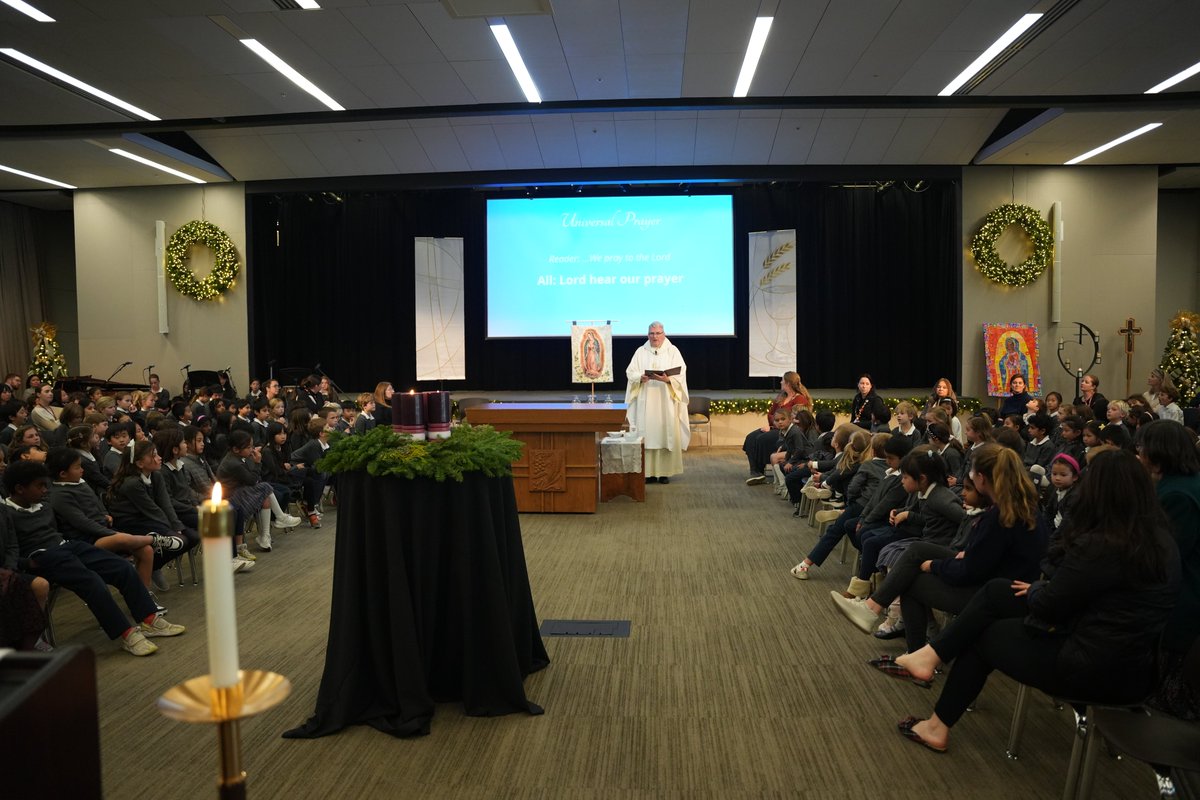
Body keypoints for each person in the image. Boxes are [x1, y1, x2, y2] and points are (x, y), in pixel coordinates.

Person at [891, 449, 1180, 753]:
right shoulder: (1159, 541)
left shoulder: (1103, 544)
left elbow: (1052, 603)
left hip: (1094, 665)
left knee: (983, 634)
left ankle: (936, 717)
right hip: (1135, 664)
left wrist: (1034, 591)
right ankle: (931, 658)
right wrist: (1038, 589)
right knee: (998, 590)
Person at [3, 460, 187, 656]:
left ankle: (149, 619)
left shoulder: (43, 504)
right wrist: (26, 564)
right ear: (20, 489)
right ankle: (126, 633)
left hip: (66, 546)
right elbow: (10, 546)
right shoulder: (6, 512)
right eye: (39, 486)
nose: (45, 490)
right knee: (92, 582)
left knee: (121, 567)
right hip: (41, 556)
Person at [1137, 421, 1200, 721]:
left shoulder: (1177, 495)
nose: (1139, 452)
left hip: (1184, 594)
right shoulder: (1183, 483)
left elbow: (1167, 554)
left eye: (1143, 447)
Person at [624, 322, 689, 484]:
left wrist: (668, 379)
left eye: (658, 333)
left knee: (664, 434)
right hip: (645, 402)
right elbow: (630, 372)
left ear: (664, 334)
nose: (655, 337)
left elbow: (681, 373)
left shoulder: (673, 351)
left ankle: (664, 473)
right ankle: (648, 473)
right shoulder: (641, 352)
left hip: (665, 402)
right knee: (647, 434)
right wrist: (640, 377)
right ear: (648, 335)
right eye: (652, 333)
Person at [743, 371, 810, 485]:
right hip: (775, 427)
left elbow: (796, 419)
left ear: (788, 383)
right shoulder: (781, 397)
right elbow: (771, 414)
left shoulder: (800, 399)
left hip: (788, 431)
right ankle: (756, 472)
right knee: (751, 437)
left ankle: (760, 468)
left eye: (783, 380)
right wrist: (774, 424)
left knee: (762, 439)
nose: (781, 382)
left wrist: (776, 423)